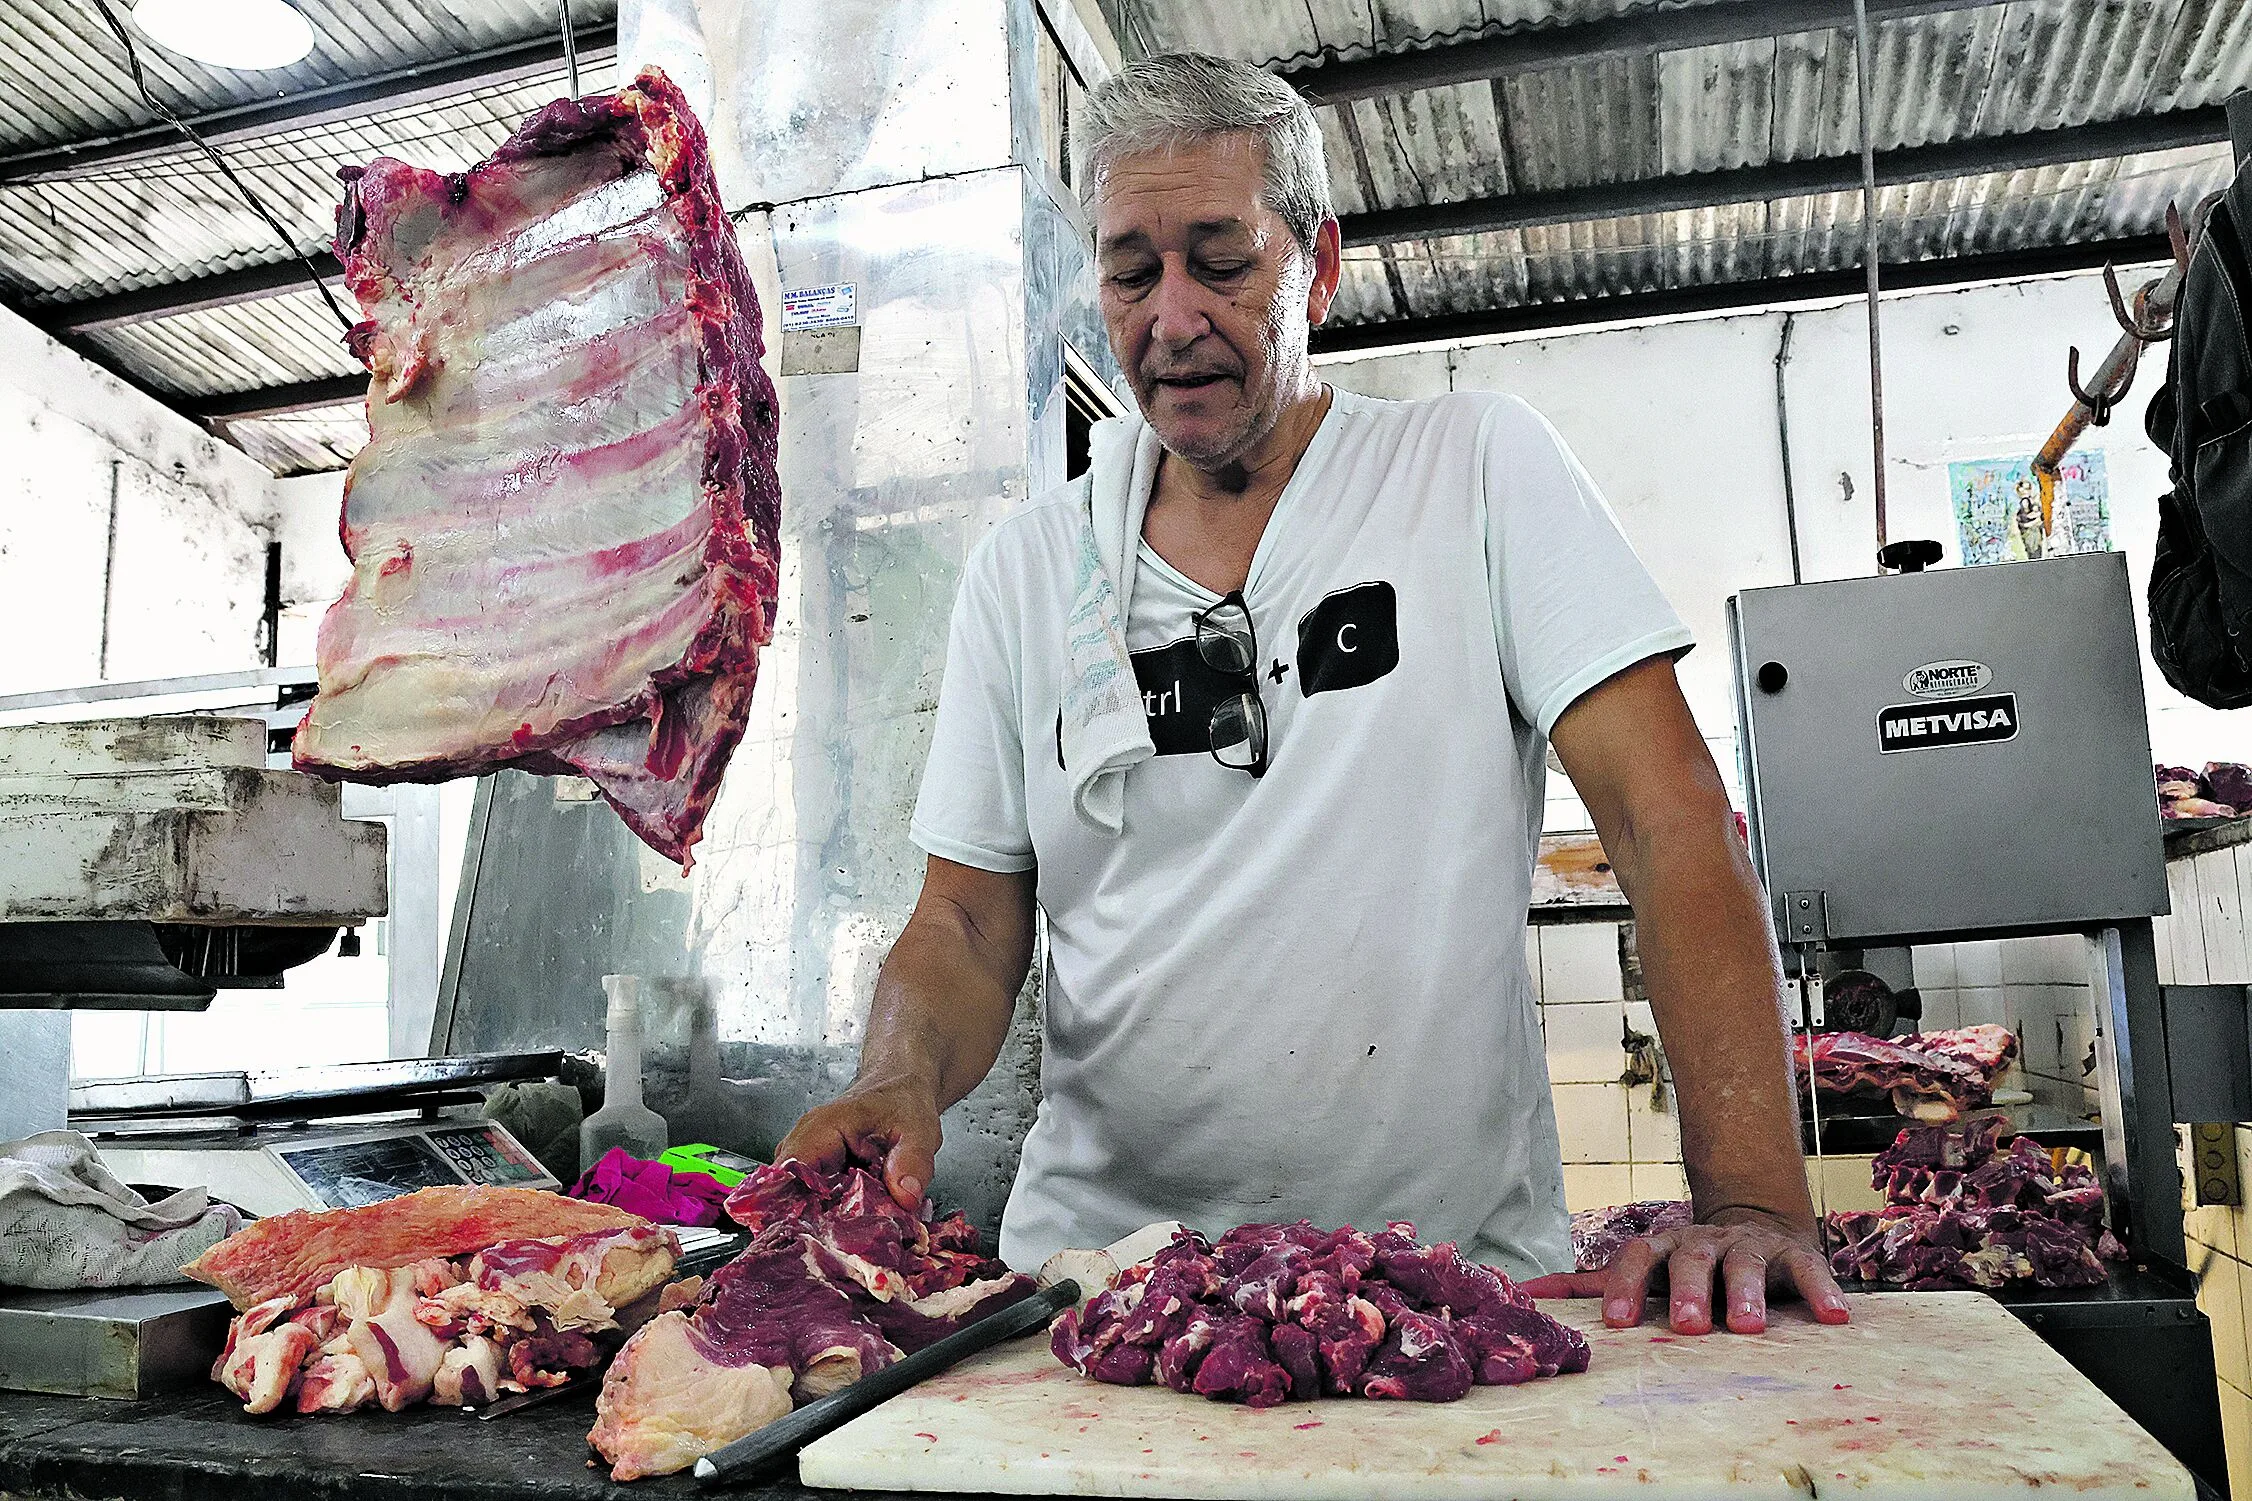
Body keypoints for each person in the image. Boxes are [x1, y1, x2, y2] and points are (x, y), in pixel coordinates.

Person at [779, 51, 1849, 1338]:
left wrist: (1749, 1195)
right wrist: (896, 1076)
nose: (1170, 317)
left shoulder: (1472, 469)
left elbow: (1665, 819)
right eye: (1130, 270)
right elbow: (962, 921)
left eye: (1219, 262)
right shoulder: (1028, 568)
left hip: (1437, 1295)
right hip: (1101, 1298)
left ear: (1319, 267)